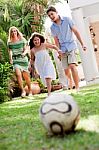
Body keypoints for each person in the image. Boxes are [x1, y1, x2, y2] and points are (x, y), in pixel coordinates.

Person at [47, 6, 86, 91]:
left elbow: (76, 32)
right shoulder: (52, 27)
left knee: (72, 66)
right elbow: (56, 41)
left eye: (52, 14)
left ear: (56, 12)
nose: (51, 16)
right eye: (49, 16)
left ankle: (77, 87)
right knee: (66, 71)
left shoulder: (67, 20)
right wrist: (58, 51)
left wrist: (82, 44)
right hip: (62, 49)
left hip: (71, 46)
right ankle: (70, 81)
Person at [7, 26, 32, 98]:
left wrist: (24, 53)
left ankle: (30, 90)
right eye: (12, 31)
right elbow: (10, 51)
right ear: (10, 33)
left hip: (23, 59)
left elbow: (27, 48)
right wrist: (10, 59)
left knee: (26, 76)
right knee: (18, 74)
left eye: (15, 31)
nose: (14, 32)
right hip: (15, 60)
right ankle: (23, 91)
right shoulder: (9, 42)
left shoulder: (22, 39)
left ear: (17, 32)